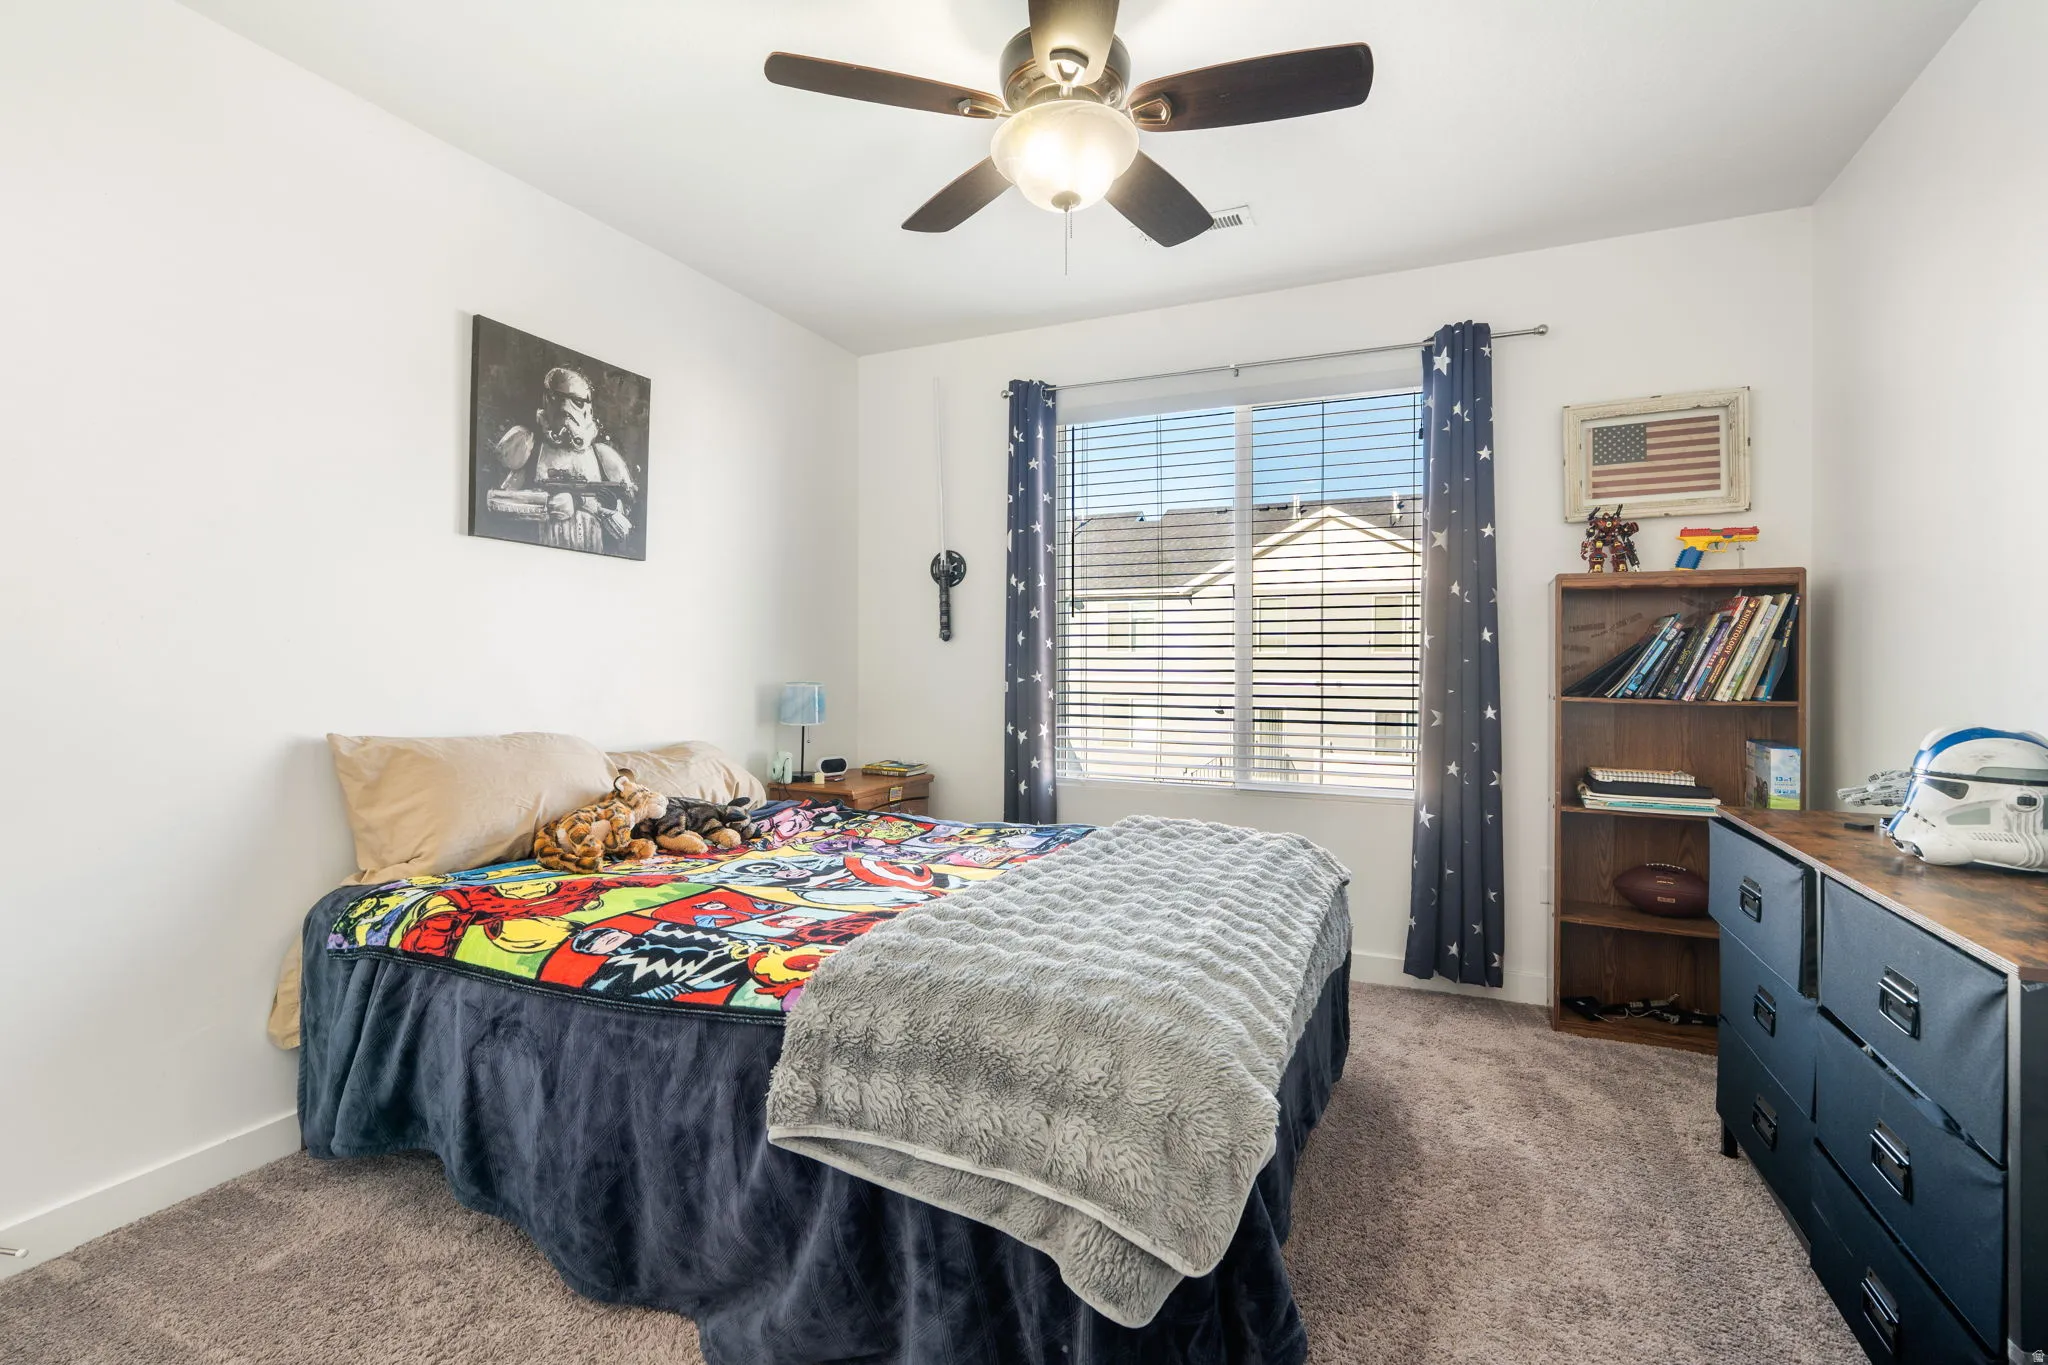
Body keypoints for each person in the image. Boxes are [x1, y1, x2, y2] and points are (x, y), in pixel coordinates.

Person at [485, 366, 637, 553]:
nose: (565, 408)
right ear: (547, 401)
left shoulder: (603, 457)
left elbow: (627, 518)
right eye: (556, 398)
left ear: (588, 409)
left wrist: (609, 507)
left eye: (576, 401)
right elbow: (498, 502)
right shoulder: (530, 450)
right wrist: (547, 505)